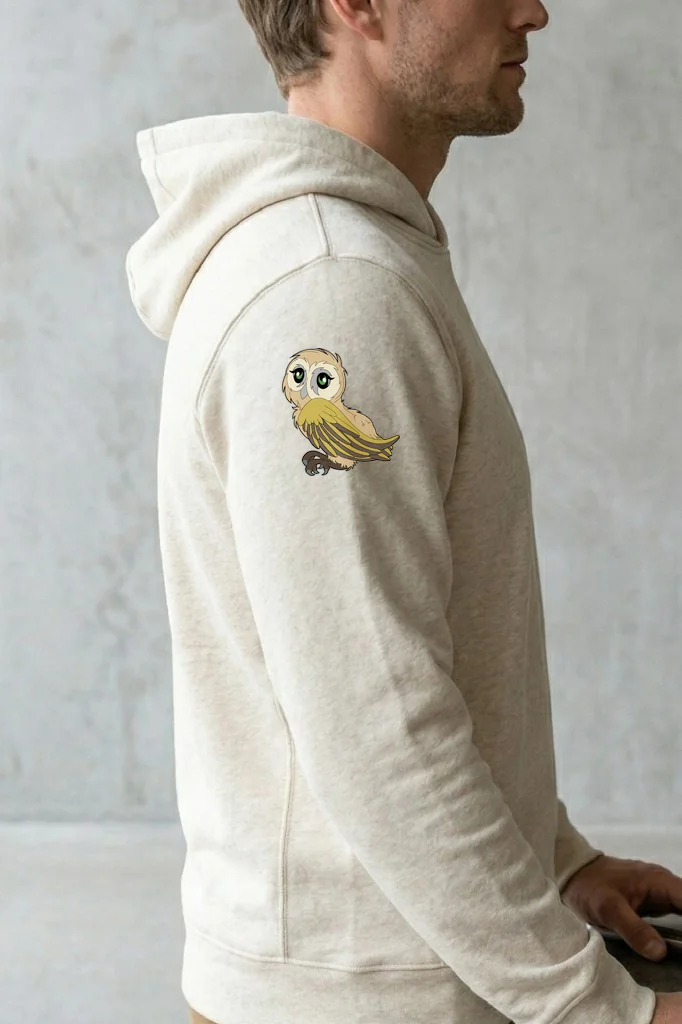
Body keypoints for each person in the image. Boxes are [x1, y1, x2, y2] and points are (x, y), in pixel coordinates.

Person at [125, 1, 682, 1022]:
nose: (533, 10)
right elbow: (377, 726)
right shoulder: (329, 288)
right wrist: (601, 1008)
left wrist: (554, 860)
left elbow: (397, 659)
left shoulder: (353, 257)